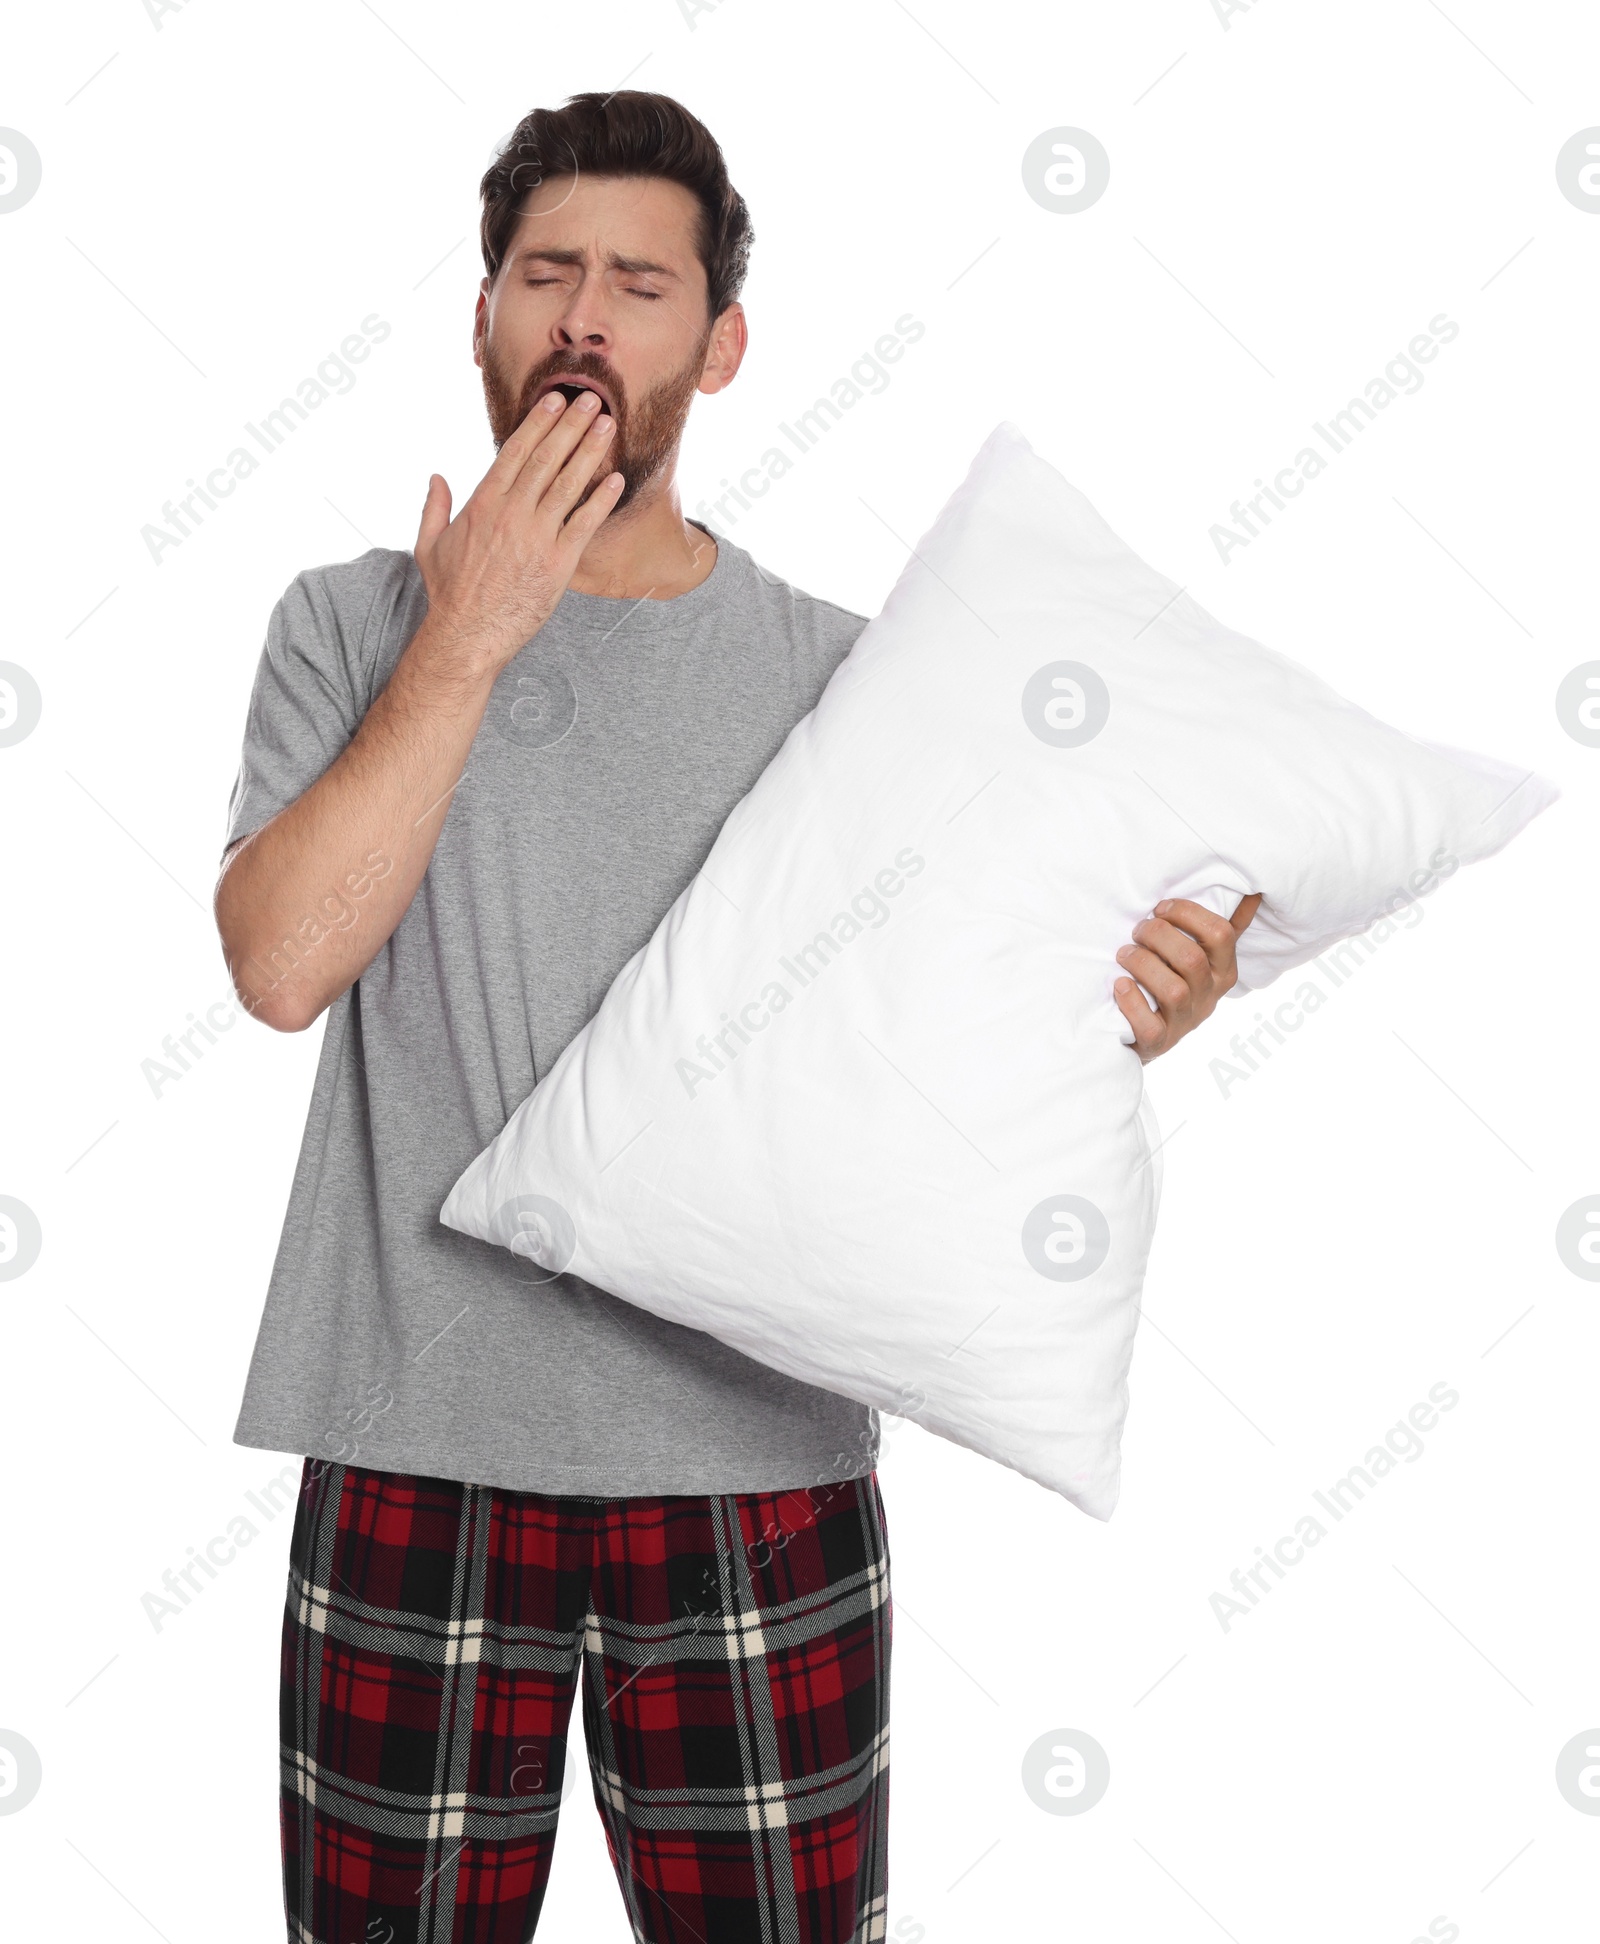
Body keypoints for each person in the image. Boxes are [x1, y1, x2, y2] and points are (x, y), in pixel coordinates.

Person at [215, 89, 1259, 1944]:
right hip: (416, 1449)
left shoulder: (840, 678)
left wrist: (1127, 1011)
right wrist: (470, 639)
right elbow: (285, 962)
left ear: (724, 340)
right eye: (548, 275)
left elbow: (947, 1031)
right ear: (481, 315)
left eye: (639, 282)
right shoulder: (348, 626)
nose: (586, 325)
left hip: (756, 1481)